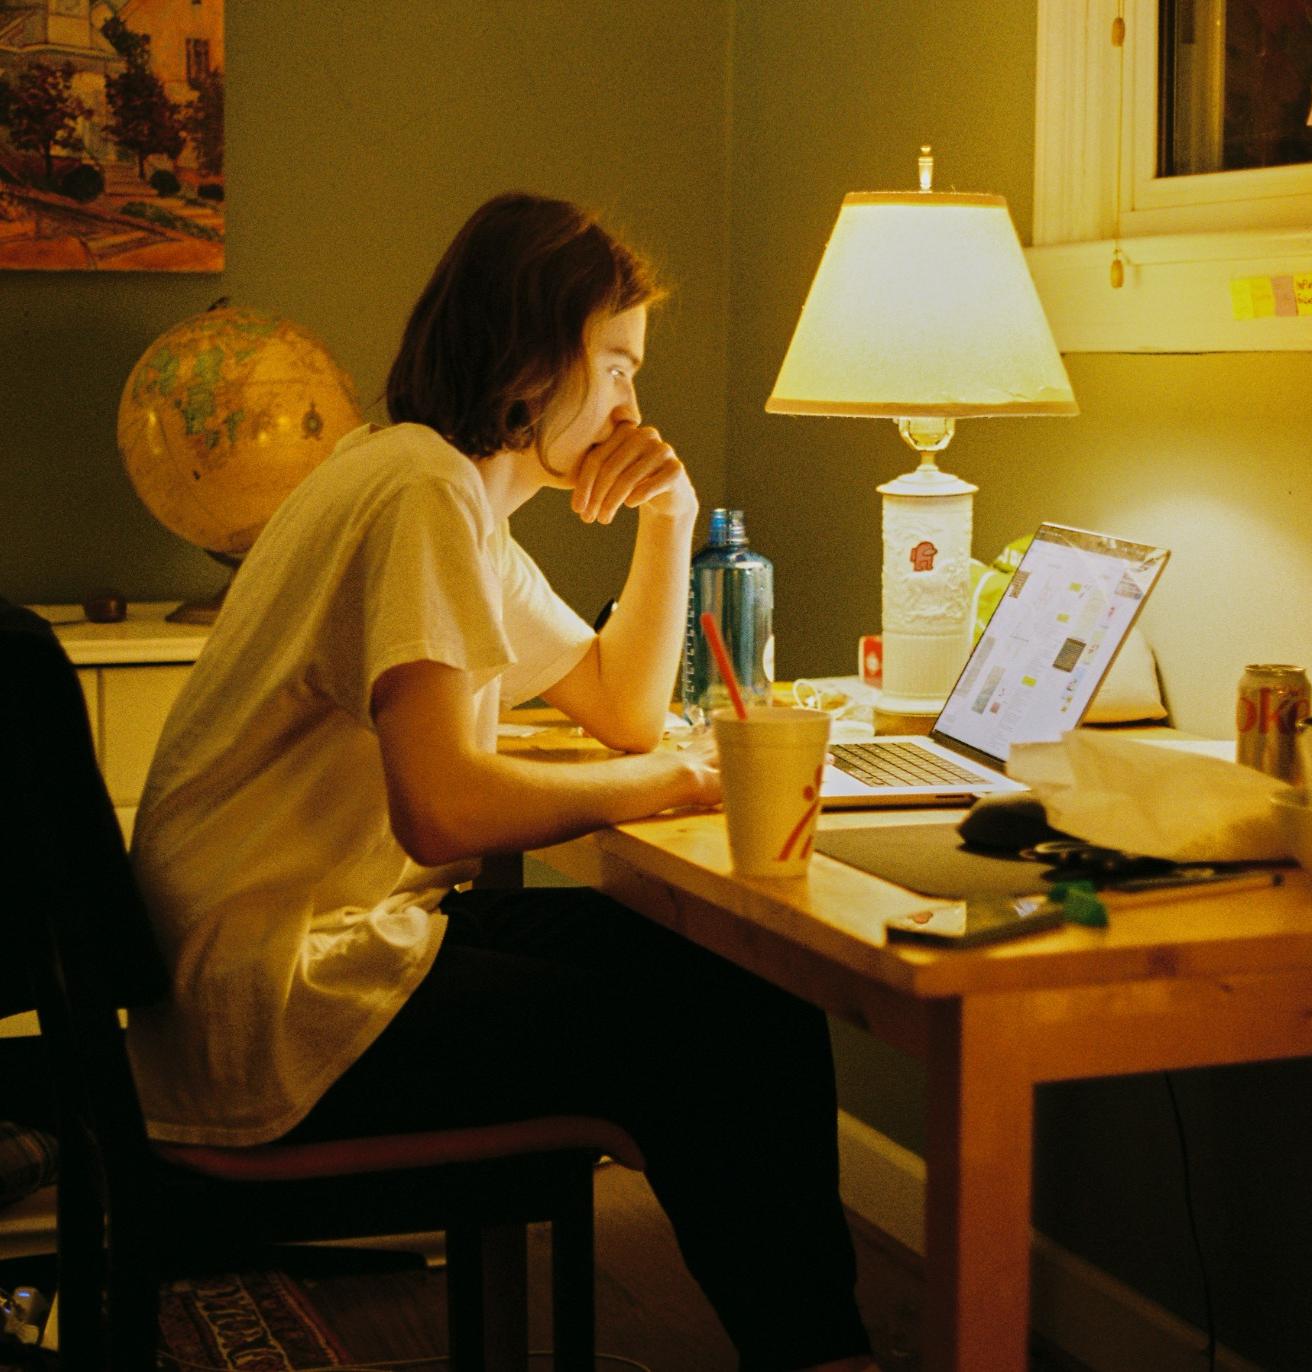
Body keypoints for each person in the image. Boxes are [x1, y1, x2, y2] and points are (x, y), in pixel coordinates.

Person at [126, 191, 876, 1372]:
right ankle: (820, 1352)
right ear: (533, 359)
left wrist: (667, 518)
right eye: (617, 366)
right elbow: (448, 808)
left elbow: (619, 707)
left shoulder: (441, 494)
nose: (633, 402)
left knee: (732, 981)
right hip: (279, 1009)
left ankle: (814, 1347)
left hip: (288, 964)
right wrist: (662, 785)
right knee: (722, 1026)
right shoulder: (419, 496)